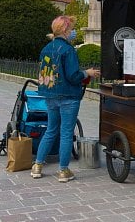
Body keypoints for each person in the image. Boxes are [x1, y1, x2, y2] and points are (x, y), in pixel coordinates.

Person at [32, 15, 100, 182]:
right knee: (66, 133)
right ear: (64, 30)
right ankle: (63, 170)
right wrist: (87, 73)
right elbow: (73, 76)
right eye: (70, 29)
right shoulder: (68, 50)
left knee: (51, 130)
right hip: (68, 96)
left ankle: (37, 166)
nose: (72, 32)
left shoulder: (46, 48)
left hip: (50, 95)